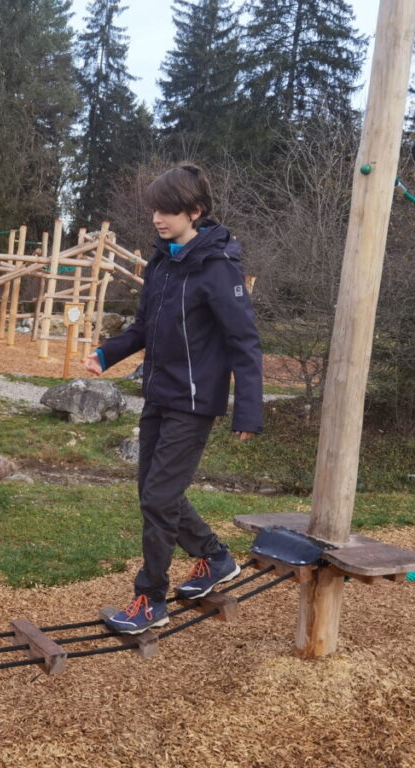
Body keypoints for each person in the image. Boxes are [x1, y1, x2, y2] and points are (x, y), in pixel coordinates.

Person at [83, 164, 263, 634]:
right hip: (159, 394)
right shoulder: (162, 262)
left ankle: (150, 599)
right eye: (155, 210)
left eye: (168, 211)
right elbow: (144, 326)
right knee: (154, 492)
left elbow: (245, 341)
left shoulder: (219, 268)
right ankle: (214, 557)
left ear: (195, 212)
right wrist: (106, 353)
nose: (158, 219)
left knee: (159, 499)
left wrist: (248, 407)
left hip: (195, 402)